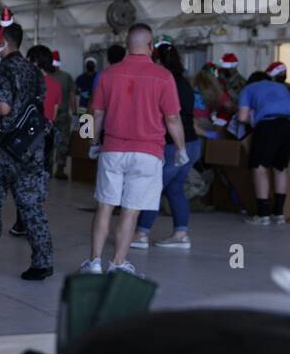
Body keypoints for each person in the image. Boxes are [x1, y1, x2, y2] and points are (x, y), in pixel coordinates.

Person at [81, 24, 188, 276]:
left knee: (105, 206)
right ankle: (117, 264)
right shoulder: (163, 77)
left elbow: (95, 113)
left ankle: (94, 262)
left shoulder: (108, 74)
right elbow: (172, 118)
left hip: (113, 149)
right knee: (130, 210)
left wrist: (93, 142)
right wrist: (181, 148)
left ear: (127, 45)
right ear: (151, 46)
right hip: (148, 153)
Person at [0, 23, 54, 280]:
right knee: (31, 206)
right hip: (31, 148)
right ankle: (43, 261)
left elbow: (2, 108)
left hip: (2, 149)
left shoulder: (2, 70)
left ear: (2, 40)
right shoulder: (35, 72)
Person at [130, 43, 202, 249]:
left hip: (173, 144)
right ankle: (181, 234)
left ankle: (141, 234)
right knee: (175, 189)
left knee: (153, 188)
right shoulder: (185, 83)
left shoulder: (162, 81)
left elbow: (170, 117)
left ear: (158, 60)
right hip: (193, 143)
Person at [236, 70, 290, 225]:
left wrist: (252, 118)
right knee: (280, 167)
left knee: (259, 167)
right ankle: (279, 214)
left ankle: (262, 215)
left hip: (270, 123)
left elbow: (242, 117)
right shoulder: (281, 87)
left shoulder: (248, 89)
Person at [49, 50, 75, 180]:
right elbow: (71, 95)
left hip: (58, 115)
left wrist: (75, 111)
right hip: (54, 115)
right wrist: (75, 111)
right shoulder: (65, 77)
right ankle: (53, 167)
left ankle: (57, 168)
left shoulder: (48, 77)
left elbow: (71, 95)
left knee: (58, 142)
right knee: (55, 142)